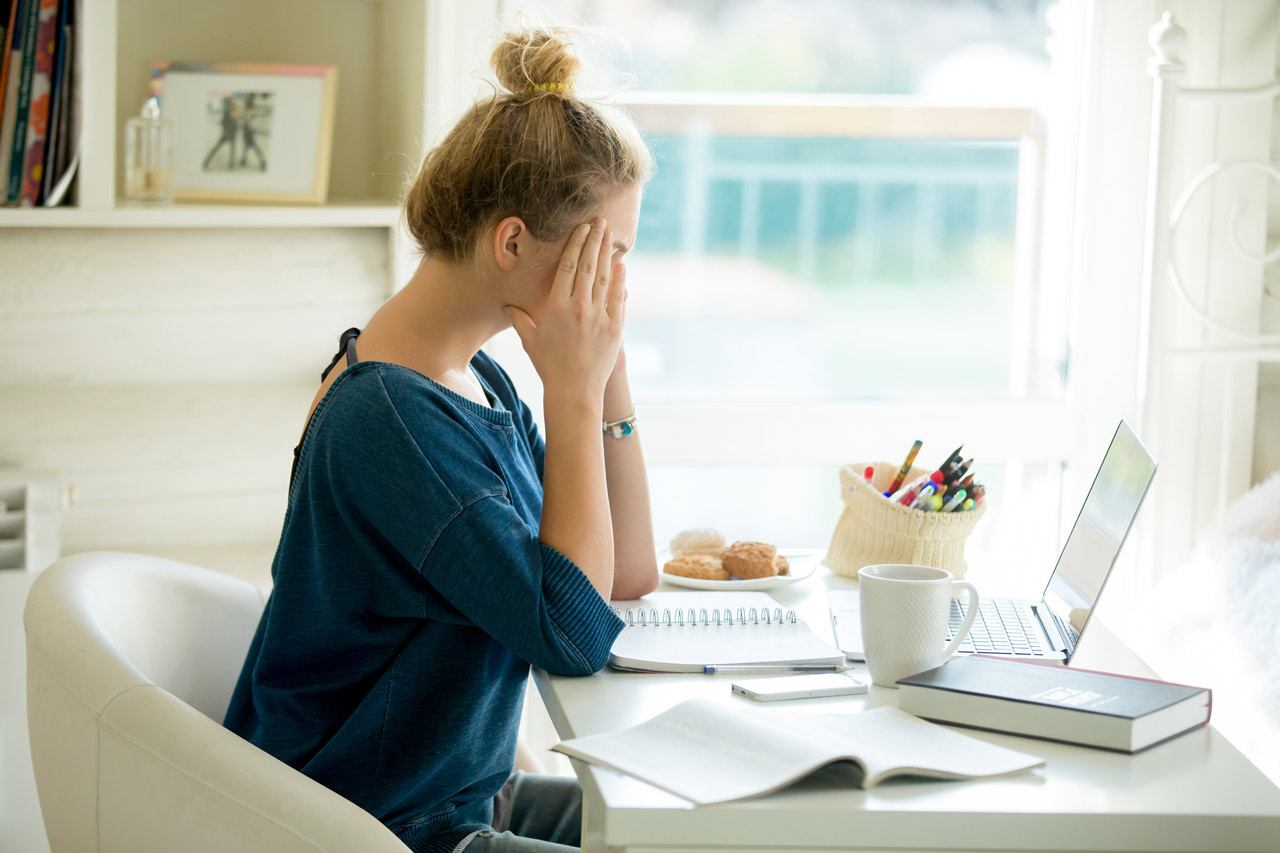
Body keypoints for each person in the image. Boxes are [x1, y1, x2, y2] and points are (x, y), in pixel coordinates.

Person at [222, 22, 659, 853]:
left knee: (710, 832)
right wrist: (570, 387)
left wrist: (608, 371)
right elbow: (575, 639)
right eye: (609, 255)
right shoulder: (391, 421)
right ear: (512, 241)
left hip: (461, 797)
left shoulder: (473, 382)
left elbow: (623, 574)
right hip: (379, 826)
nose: (617, 284)